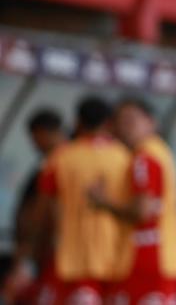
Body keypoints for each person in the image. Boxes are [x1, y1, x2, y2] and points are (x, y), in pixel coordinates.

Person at [10, 96, 130, 304]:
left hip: (69, 259)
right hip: (115, 259)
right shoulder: (124, 157)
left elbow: (42, 212)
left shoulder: (61, 158)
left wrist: (27, 254)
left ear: (77, 122)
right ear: (109, 123)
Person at [89, 97, 176, 305]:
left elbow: (142, 210)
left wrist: (103, 202)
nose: (125, 127)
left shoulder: (144, 157)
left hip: (148, 260)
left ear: (151, 122)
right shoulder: (161, 152)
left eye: (131, 120)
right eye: (121, 121)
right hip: (166, 259)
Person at [11, 109, 64, 304]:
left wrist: (27, 249)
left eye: (35, 138)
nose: (35, 144)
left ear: (44, 132)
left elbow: (42, 210)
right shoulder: (48, 163)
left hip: (48, 248)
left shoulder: (57, 163)